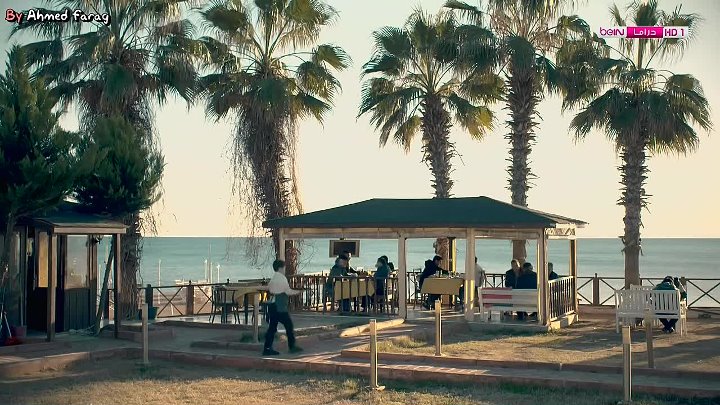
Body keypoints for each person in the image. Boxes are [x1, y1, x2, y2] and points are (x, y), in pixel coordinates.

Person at [263, 259, 303, 356]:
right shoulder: (282, 278)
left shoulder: (273, 278)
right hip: (280, 306)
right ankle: (292, 346)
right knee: (289, 326)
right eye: (284, 267)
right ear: (281, 268)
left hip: (272, 305)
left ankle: (267, 348)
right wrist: (298, 291)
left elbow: (270, 289)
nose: (285, 269)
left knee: (272, 328)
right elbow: (287, 291)